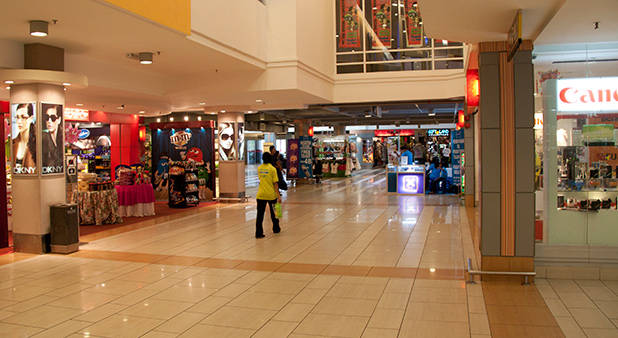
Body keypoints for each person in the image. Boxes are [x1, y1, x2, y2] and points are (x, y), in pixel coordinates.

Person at [255, 152, 281, 238]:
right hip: (271, 194)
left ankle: (258, 233)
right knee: (276, 212)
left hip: (260, 194)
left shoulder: (259, 168)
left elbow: (261, 179)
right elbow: (275, 184)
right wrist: (279, 196)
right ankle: (276, 228)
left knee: (260, 215)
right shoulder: (272, 169)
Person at [12, 103, 37, 173]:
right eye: (17, 117)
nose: (19, 121)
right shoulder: (13, 142)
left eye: (23, 117)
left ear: (31, 118)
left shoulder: (38, 143)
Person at [42, 104, 63, 172]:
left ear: (59, 120)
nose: (49, 121)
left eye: (53, 118)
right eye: (47, 117)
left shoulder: (61, 139)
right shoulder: (43, 139)